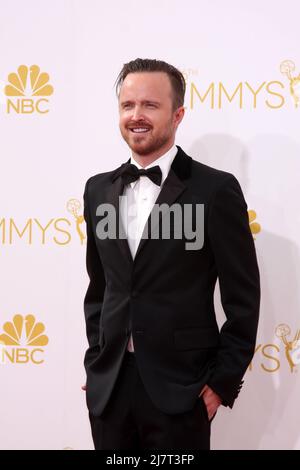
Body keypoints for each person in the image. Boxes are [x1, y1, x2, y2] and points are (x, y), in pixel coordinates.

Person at [82, 58, 260, 450]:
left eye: (150, 105)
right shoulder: (97, 190)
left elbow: (243, 300)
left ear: (177, 114)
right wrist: (98, 364)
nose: (137, 116)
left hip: (183, 390)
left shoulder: (214, 190)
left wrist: (221, 384)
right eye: (128, 106)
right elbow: (101, 288)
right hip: (111, 390)